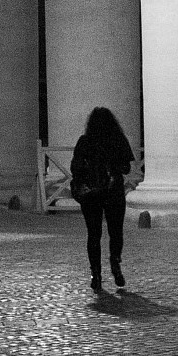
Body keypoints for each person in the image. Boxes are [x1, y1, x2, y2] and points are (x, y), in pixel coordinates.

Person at [70, 106, 134, 291]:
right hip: (113, 191)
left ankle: (96, 274)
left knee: (93, 234)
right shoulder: (118, 140)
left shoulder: (85, 141)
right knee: (116, 232)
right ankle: (115, 264)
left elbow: (75, 168)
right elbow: (126, 168)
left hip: (91, 193)